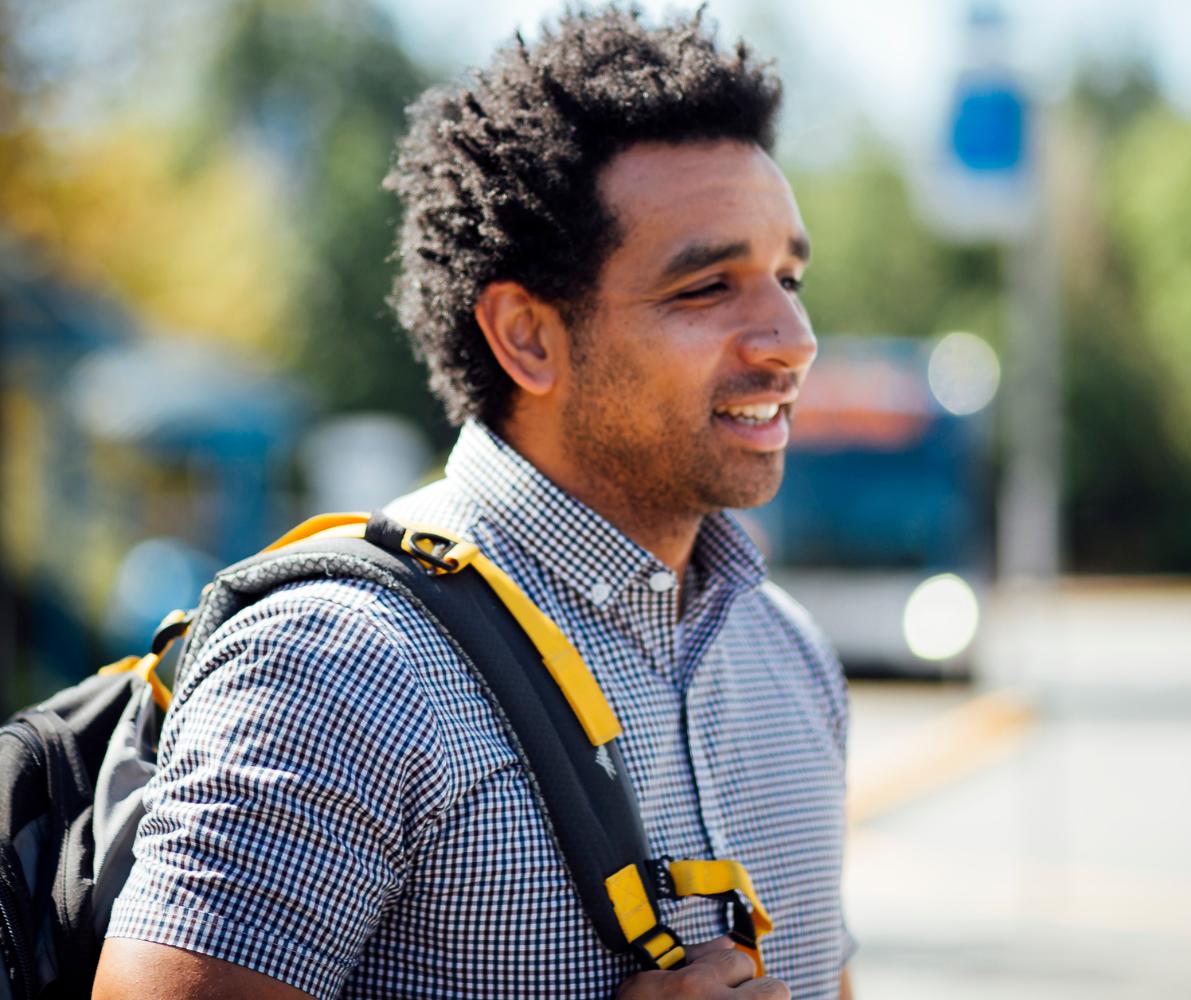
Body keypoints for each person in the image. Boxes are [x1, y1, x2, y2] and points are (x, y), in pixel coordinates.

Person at [92, 6, 853, 1000]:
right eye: (708, 286)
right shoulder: (338, 672)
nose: (791, 339)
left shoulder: (790, 654)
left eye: (788, 276)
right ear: (528, 338)